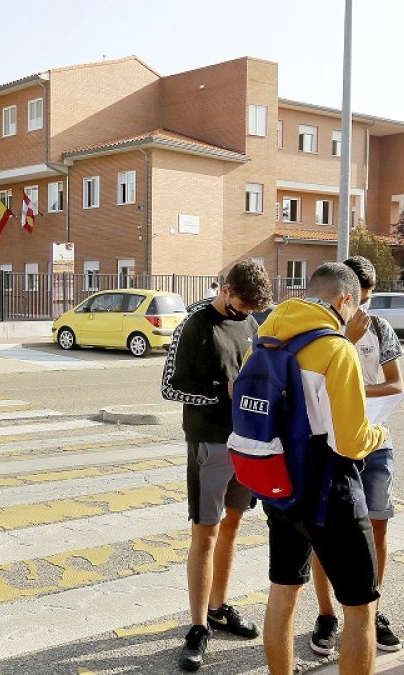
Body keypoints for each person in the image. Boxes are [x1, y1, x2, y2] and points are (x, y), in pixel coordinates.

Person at [252, 262, 388, 675]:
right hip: (331, 493)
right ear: (345, 298)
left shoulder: (265, 339)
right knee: (362, 608)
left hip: (278, 485)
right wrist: (378, 433)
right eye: (355, 304)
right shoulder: (336, 349)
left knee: (283, 594)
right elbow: (349, 441)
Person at [160, 259, 273, 672]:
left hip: (245, 442)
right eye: (241, 305)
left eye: (251, 310)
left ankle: (219, 607)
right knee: (204, 533)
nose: (245, 314)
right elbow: (170, 385)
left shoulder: (250, 323)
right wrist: (220, 391)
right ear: (225, 289)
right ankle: (197, 626)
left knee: (232, 526)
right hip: (208, 441)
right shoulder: (194, 324)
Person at [307, 256, 404, 655]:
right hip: (330, 448)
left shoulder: (380, 328)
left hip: (375, 442)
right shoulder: (321, 331)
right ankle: (327, 614)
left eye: (367, 298)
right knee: (324, 534)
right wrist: (345, 343)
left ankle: (372, 608)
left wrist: (355, 393)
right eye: (355, 299)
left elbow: (396, 384)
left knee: (377, 527)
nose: (360, 308)